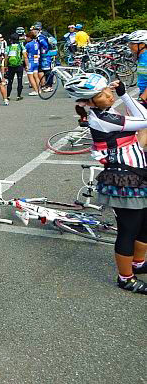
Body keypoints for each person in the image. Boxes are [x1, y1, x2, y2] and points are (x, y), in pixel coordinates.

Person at [65, 74, 147, 295]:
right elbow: (145, 119)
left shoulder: (107, 111)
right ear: (89, 102)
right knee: (129, 230)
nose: (109, 95)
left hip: (137, 175)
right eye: (101, 94)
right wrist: (125, 96)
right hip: (123, 180)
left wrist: (123, 95)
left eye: (108, 90)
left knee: (144, 224)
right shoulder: (101, 119)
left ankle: (138, 263)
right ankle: (126, 278)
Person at [4, 33, 26, 102]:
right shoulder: (21, 46)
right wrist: (27, 65)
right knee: (20, 81)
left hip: (11, 66)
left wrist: (5, 66)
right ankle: (18, 96)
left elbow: (6, 58)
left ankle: (8, 96)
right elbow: (25, 57)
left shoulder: (8, 47)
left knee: (10, 81)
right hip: (19, 65)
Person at [128, 30, 147, 103]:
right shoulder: (141, 56)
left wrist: (144, 96)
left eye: (132, 43)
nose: (129, 45)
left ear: (142, 44)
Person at [25, 31, 42, 96]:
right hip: (36, 60)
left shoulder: (28, 44)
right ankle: (39, 89)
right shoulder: (36, 43)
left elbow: (25, 53)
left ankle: (35, 90)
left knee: (31, 77)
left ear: (29, 37)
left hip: (30, 61)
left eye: (27, 37)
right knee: (36, 76)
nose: (26, 38)